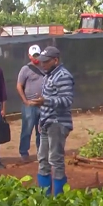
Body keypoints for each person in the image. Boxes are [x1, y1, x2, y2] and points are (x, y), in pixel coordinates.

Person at [28, 46, 74, 196]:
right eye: (41, 61)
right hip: (47, 122)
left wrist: (45, 101)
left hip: (58, 123)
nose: (43, 64)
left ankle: (59, 198)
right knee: (43, 160)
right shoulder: (49, 74)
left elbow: (67, 100)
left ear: (55, 60)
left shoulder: (63, 75)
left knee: (55, 160)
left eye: (46, 62)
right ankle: (45, 198)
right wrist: (42, 120)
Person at [17, 45, 45, 162]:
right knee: (27, 130)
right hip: (30, 105)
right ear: (29, 56)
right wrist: (25, 101)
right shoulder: (25, 69)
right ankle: (24, 152)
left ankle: (41, 152)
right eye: (34, 56)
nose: (36, 58)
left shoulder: (45, 67)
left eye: (37, 55)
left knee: (41, 130)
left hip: (43, 105)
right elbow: (19, 86)